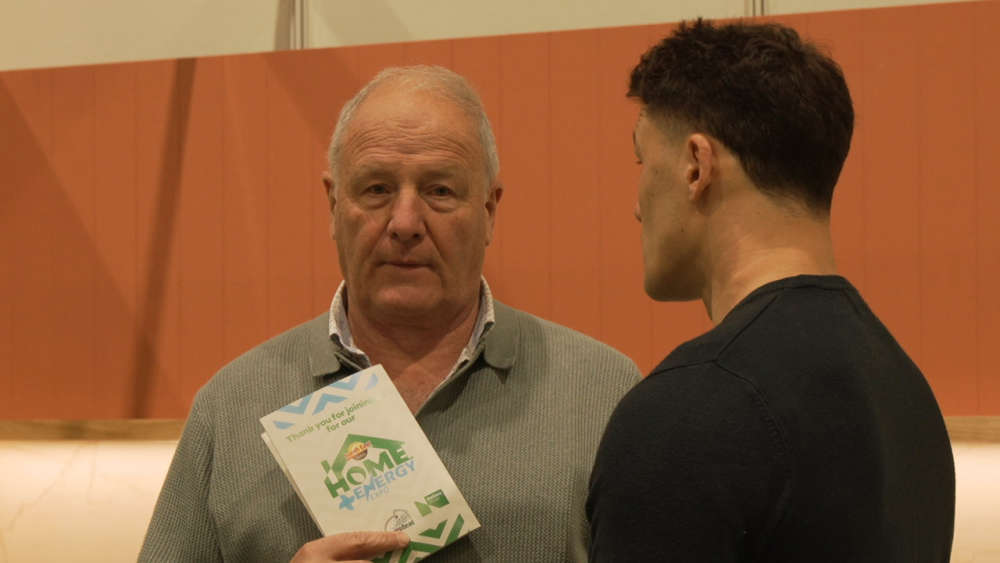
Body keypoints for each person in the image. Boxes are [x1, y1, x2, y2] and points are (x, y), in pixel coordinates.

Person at [139, 65, 640, 562]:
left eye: (439, 191)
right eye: (376, 189)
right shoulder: (231, 407)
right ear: (333, 204)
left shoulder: (602, 392)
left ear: (489, 210)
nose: (404, 222)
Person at [587, 19, 955, 562]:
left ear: (695, 166)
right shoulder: (906, 392)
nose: (637, 206)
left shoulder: (687, 414)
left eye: (643, 163)